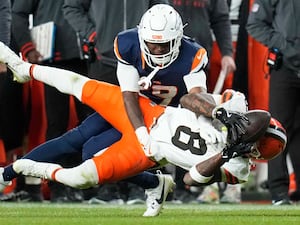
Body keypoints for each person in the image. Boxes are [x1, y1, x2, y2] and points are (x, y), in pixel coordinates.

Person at [0, 40, 286, 213]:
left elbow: (190, 179)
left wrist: (223, 155)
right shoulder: (236, 109)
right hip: (148, 113)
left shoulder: (237, 169)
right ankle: (24, 69)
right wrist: (220, 113)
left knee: (81, 176)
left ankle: (27, 168)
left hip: (148, 151)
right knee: (79, 87)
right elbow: (190, 99)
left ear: (254, 151)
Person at [62, 0, 170, 205]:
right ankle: (107, 187)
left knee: (142, 122)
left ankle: (140, 186)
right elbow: (71, 7)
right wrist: (93, 34)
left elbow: (163, 8)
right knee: (102, 126)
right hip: (104, 59)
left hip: (142, 60)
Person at [11, 0, 93, 202]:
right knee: (57, 123)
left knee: (91, 123)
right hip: (55, 56)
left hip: (88, 55)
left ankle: (89, 184)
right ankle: (58, 186)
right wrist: (28, 47)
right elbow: (18, 13)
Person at [170, 0, 238, 203]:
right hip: (163, 58)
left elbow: (220, 18)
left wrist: (227, 52)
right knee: (164, 119)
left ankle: (185, 185)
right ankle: (156, 181)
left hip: (197, 58)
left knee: (196, 120)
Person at [246, 0, 300, 205]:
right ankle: (278, 192)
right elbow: (254, 23)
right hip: (284, 68)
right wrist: (284, 44)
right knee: (277, 129)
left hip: (288, 61)